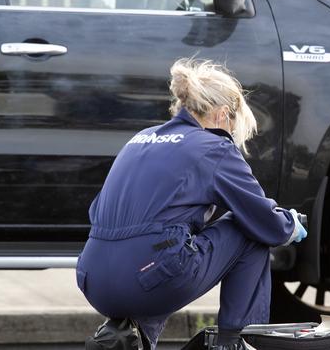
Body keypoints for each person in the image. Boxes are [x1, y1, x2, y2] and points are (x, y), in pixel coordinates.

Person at [76, 58, 307, 350]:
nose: (234, 136)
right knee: (248, 231)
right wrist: (289, 224)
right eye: (236, 126)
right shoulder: (214, 146)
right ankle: (236, 342)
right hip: (146, 281)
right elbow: (263, 219)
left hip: (93, 279)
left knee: (162, 244)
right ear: (223, 115)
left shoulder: (141, 138)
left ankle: (123, 338)